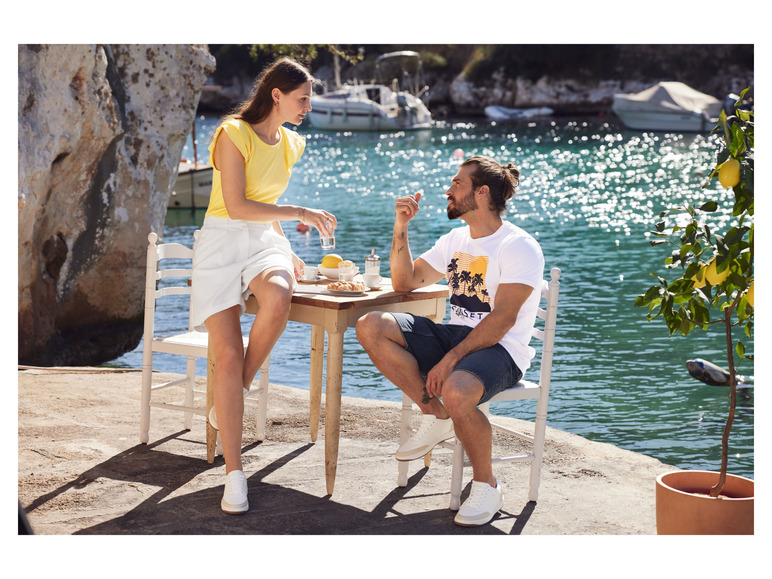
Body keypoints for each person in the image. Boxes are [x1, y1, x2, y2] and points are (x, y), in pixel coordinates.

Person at [356, 155, 544, 527]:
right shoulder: (455, 239)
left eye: (457, 183)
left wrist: (449, 360)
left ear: (482, 192)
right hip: (457, 335)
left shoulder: (518, 246)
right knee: (371, 325)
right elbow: (405, 282)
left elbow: (503, 320)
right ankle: (436, 414)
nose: (448, 190)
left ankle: (488, 486)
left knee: (456, 389)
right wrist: (400, 227)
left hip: (502, 349)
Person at [191, 57, 337, 515]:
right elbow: (236, 206)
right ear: (277, 95)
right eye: (302, 99)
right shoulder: (232, 133)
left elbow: (264, 205)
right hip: (221, 240)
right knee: (226, 354)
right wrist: (299, 213)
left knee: (278, 295)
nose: (308, 107)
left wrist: (284, 246)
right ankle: (234, 475)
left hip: (262, 241)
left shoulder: (292, 144)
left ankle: (234, 391)